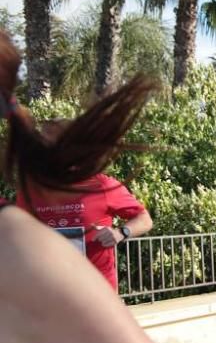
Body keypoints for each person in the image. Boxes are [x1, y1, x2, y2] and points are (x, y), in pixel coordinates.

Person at [0, 32, 216, 343]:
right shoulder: (30, 195)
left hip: (95, 292)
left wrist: (117, 236)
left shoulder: (99, 188)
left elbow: (142, 217)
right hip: (41, 310)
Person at [16, 123, 153, 291]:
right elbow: (18, 229)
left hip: (97, 289)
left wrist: (120, 233)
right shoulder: (31, 189)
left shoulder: (101, 185)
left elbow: (144, 218)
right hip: (50, 288)